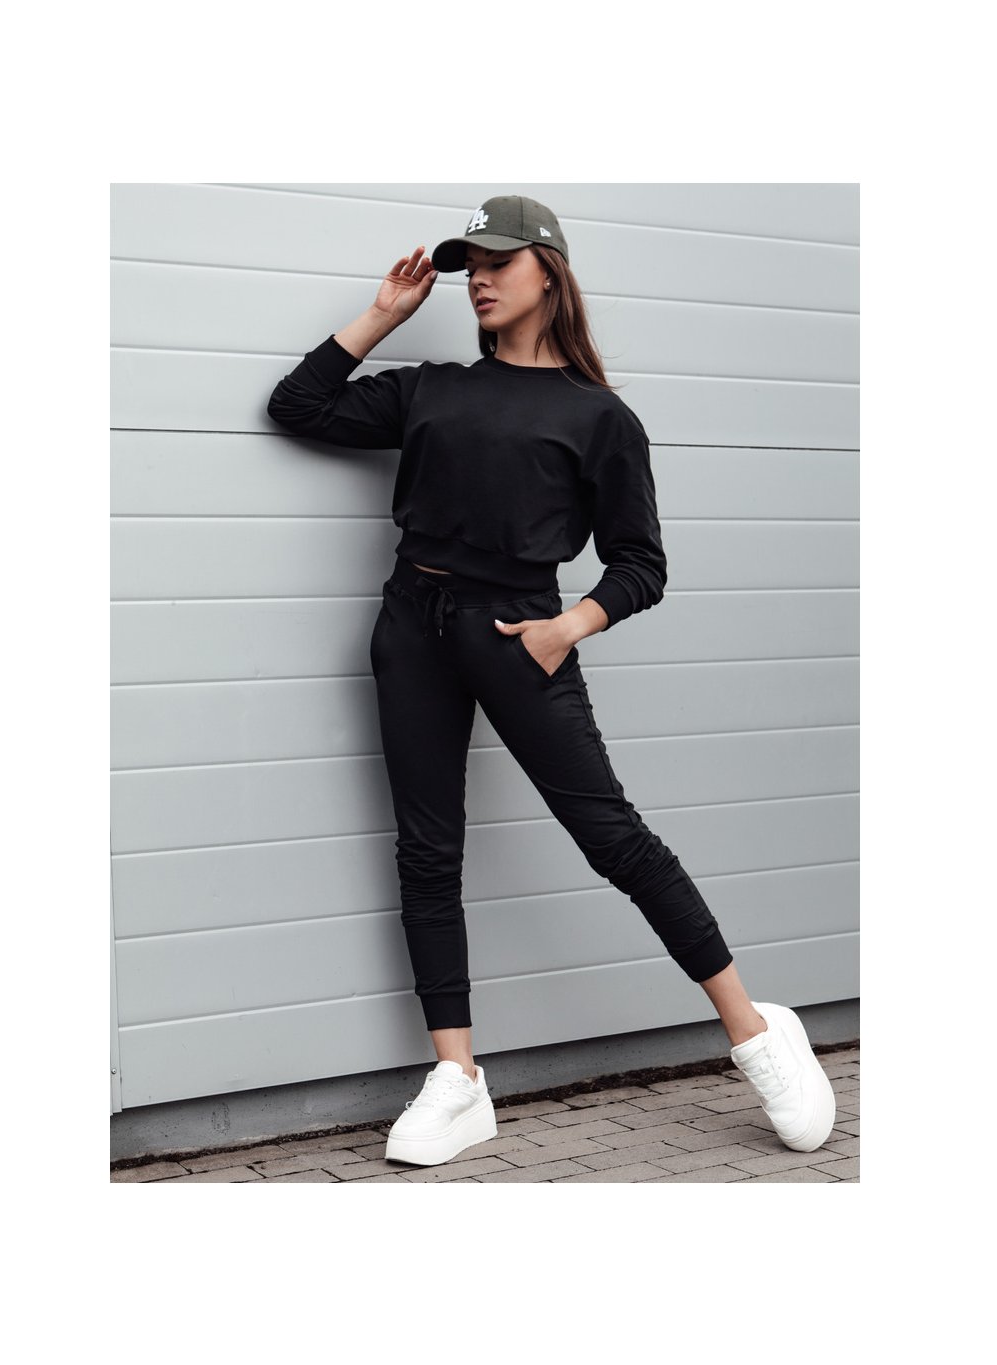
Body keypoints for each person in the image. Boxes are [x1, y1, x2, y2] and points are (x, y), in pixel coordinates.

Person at [267, 194, 837, 1169]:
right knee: (427, 851)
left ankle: (753, 1029)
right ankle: (458, 1078)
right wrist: (383, 316)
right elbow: (299, 406)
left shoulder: (598, 417)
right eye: (470, 266)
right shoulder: (431, 389)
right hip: (411, 625)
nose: (479, 279)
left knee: (611, 837)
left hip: (516, 633)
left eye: (499, 261)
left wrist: (568, 626)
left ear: (549, 273)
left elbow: (640, 563)